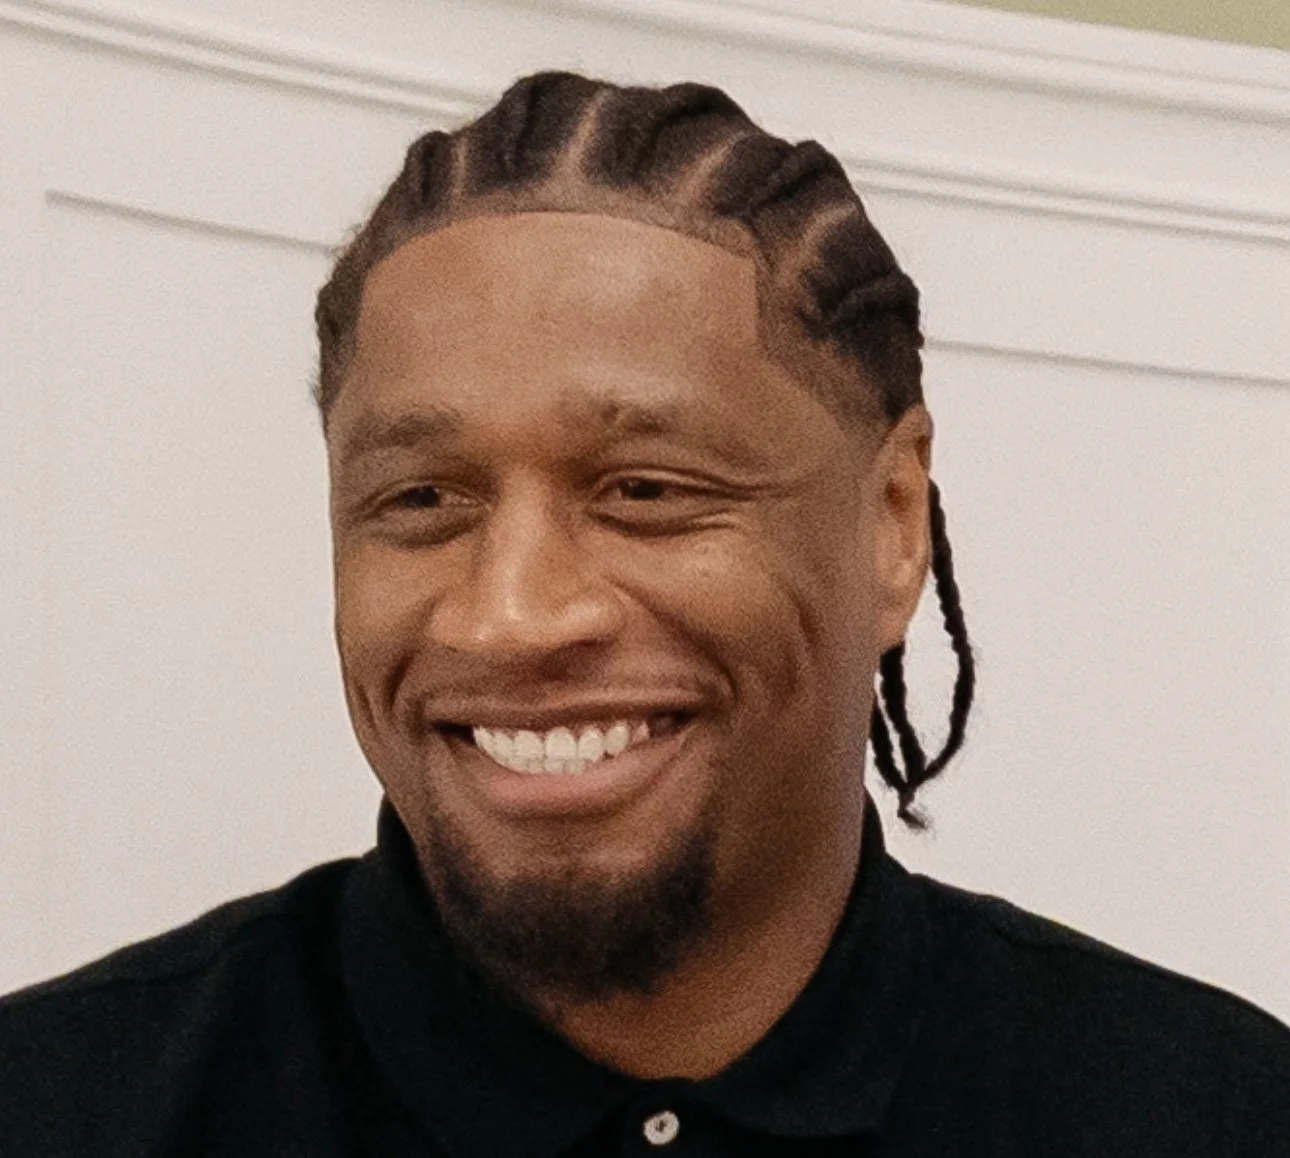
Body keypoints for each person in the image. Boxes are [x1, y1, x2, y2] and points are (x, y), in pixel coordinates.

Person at [1, 71, 1286, 1156]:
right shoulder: (59, 1108)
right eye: (423, 499)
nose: (511, 617)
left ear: (892, 522)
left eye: (646, 491)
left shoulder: (1212, 1117)